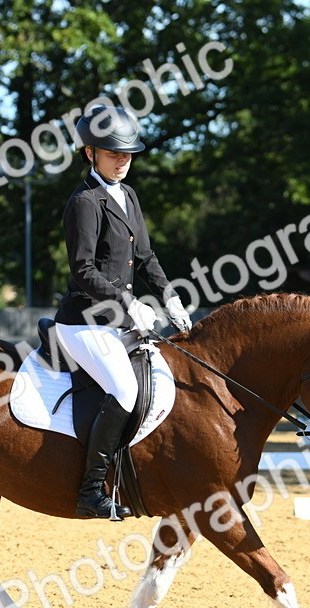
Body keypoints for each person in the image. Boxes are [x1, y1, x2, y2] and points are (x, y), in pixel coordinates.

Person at [56, 105, 192, 520]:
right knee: (125, 390)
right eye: (114, 153)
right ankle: (91, 490)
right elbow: (83, 270)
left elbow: (146, 256)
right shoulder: (85, 202)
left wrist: (169, 296)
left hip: (120, 321)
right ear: (89, 153)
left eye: (128, 153)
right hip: (84, 322)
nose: (123, 160)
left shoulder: (128, 195)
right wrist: (129, 303)